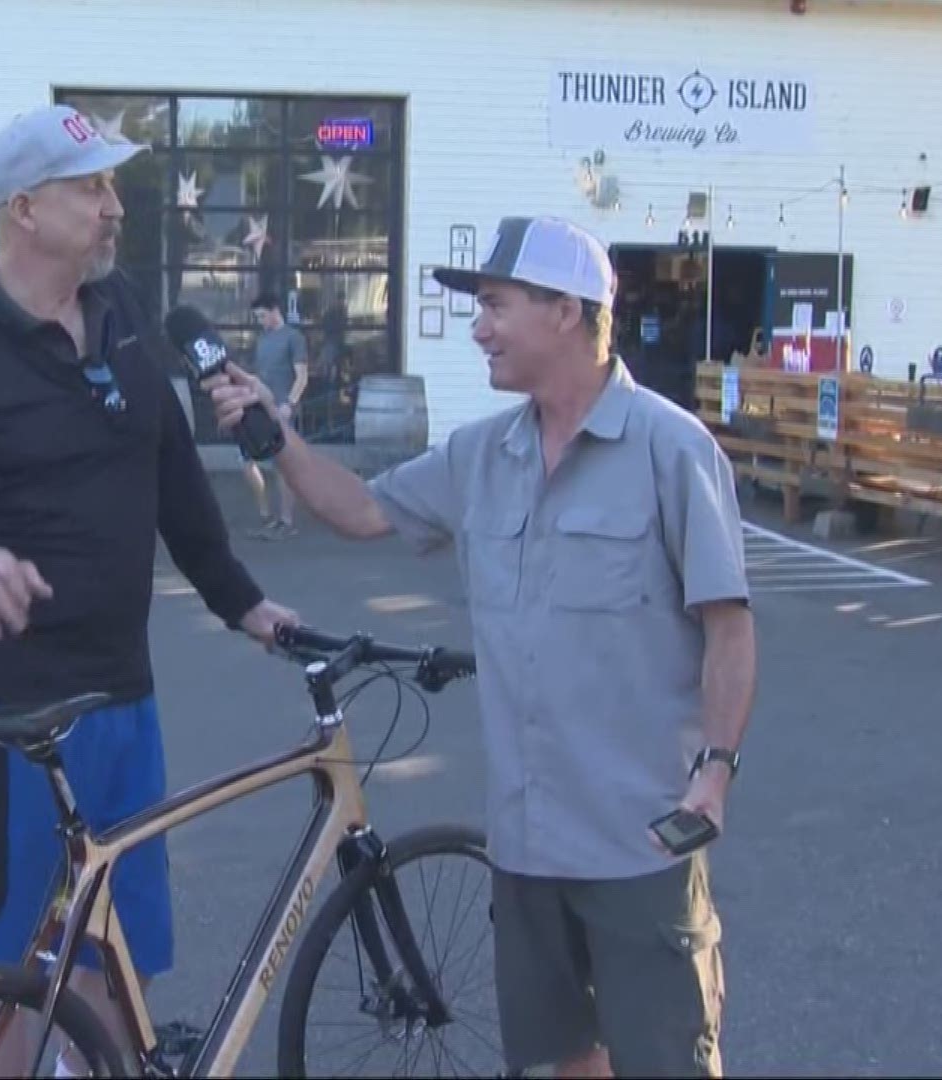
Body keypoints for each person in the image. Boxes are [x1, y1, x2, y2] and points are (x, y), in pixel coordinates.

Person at [205, 215, 759, 1078]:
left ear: (566, 313)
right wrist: (275, 435)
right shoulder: (483, 455)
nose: (479, 327)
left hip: (638, 846)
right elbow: (357, 511)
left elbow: (729, 626)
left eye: (496, 306)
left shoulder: (671, 449)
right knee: (564, 1061)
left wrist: (716, 773)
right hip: (526, 848)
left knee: (664, 1063)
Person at [0, 103, 297, 1067]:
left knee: (108, 972)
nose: (114, 209)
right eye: (91, 188)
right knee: (9, 988)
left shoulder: (127, 313)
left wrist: (245, 603)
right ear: (24, 209)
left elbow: (174, 479)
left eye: (112, 187)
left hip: (119, 703)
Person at [239, 293, 309, 539]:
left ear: (274, 310)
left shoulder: (293, 338)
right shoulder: (262, 340)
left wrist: (290, 402)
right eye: (256, 317)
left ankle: (287, 521)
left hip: (282, 408)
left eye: (262, 316)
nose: (260, 321)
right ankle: (267, 516)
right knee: (248, 461)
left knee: (283, 466)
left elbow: (302, 376)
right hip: (259, 406)